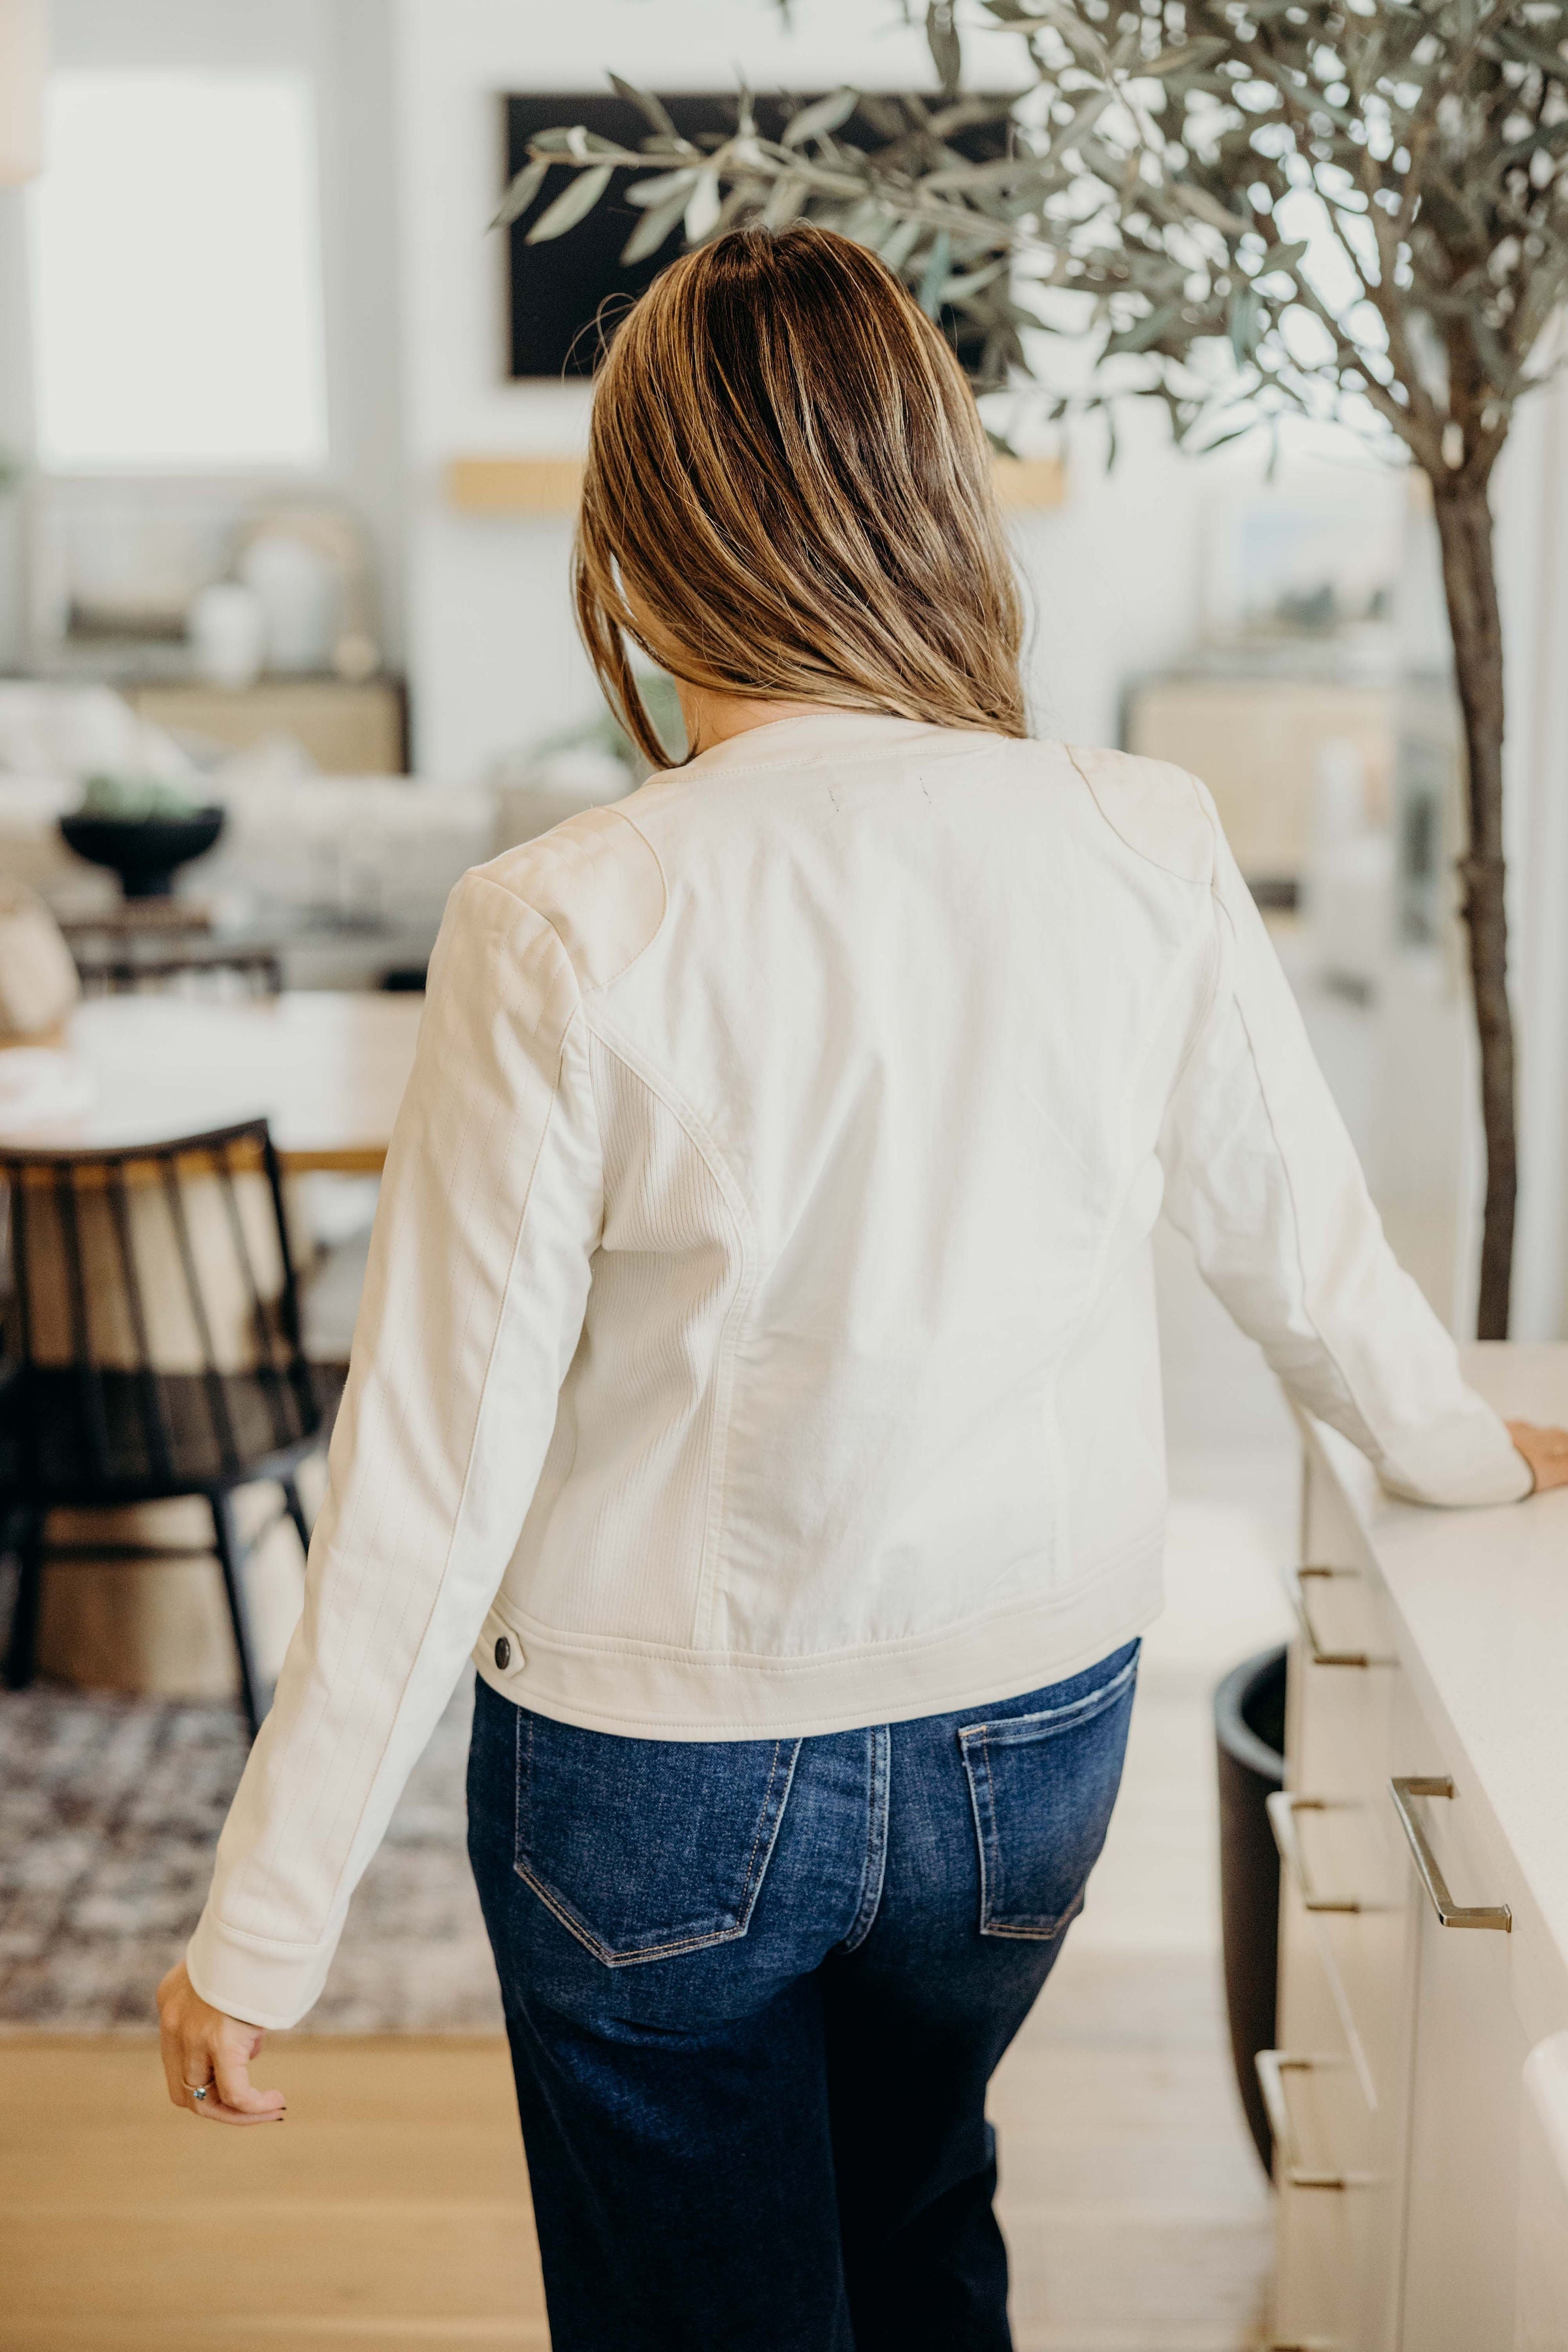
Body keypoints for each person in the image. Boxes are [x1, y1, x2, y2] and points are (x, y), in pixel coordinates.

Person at [157, 225, 1568, 2350]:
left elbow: (431, 1475)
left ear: (639, 550)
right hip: (1033, 1735)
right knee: (919, 2213)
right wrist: (1465, 1454)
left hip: (659, 1766)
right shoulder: (1141, 834)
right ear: (929, 498)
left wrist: (264, 1921)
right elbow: (1307, 1256)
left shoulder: (560, 917)